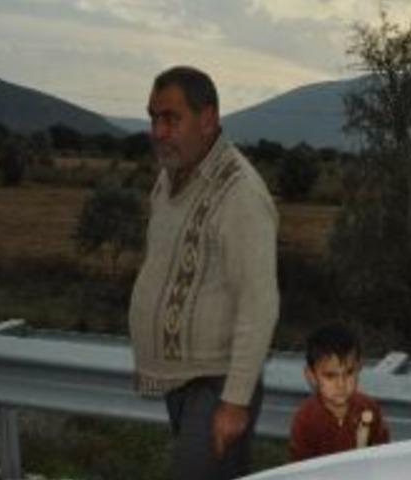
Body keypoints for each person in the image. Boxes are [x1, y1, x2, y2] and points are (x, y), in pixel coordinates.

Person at [128, 66, 279, 480]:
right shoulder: (169, 179)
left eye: (171, 118)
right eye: (153, 117)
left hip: (216, 384)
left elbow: (259, 303)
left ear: (208, 119)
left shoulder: (239, 192)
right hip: (182, 382)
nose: (158, 131)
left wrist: (233, 403)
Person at [289, 323, 390, 461]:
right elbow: (301, 469)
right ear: (311, 376)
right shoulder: (305, 419)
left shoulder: (369, 409)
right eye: (330, 376)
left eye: (349, 373)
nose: (341, 384)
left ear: (359, 367)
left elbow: (382, 456)